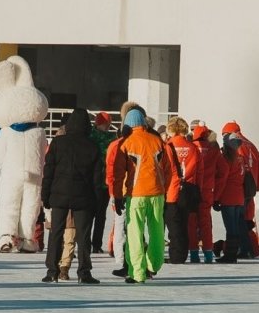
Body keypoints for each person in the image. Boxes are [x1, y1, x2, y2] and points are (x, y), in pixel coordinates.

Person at [41, 108, 104, 284]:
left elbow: (49, 171)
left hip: (59, 196)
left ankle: (52, 271)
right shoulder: (92, 146)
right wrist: (98, 201)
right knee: (83, 237)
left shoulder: (58, 143)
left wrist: (45, 195)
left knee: (56, 233)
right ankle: (84, 272)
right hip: (83, 198)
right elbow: (97, 179)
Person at [113, 108, 171, 283]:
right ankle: (154, 264)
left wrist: (117, 195)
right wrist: (163, 188)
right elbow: (169, 169)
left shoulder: (126, 143)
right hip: (157, 194)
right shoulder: (158, 141)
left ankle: (137, 272)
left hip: (135, 194)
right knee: (157, 230)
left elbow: (118, 173)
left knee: (134, 233)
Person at [220, 121, 259, 258]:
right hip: (249, 188)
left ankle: (243, 249)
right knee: (243, 220)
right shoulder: (251, 145)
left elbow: (234, 168)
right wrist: (256, 186)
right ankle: (247, 249)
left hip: (239, 189)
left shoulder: (236, 145)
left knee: (238, 222)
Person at [188, 124, 227, 263]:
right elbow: (223, 171)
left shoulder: (190, 147)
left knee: (191, 222)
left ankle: (193, 253)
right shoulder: (214, 150)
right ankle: (208, 253)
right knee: (205, 222)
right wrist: (216, 191)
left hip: (191, 189)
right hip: (207, 190)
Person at [164, 117, 200, 264]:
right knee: (184, 224)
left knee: (173, 226)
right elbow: (200, 170)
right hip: (188, 189)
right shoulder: (192, 147)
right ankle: (182, 254)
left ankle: (176, 255)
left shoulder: (168, 146)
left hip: (171, 190)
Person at [213, 132, 246, 264]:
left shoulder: (225, 158)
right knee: (235, 228)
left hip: (228, 197)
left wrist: (216, 198)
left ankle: (230, 255)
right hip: (239, 197)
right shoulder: (240, 157)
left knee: (230, 229)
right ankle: (232, 254)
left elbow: (222, 180)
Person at [88, 111, 116, 254]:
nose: (107, 126)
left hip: (95, 180)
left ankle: (92, 243)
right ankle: (95, 244)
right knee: (98, 214)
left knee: (94, 214)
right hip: (101, 180)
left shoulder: (89, 136)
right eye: (106, 124)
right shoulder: (111, 139)